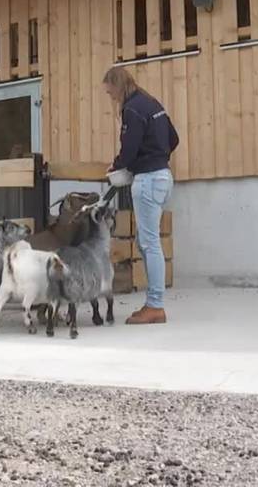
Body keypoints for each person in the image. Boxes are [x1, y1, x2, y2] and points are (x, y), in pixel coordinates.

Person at [103, 67, 180, 325]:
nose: (112, 98)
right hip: (163, 177)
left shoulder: (132, 109)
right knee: (147, 242)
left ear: (118, 86)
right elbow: (174, 138)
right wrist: (157, 155)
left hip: (147, 181)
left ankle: (155, 306)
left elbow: (129, 150)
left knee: (149, 244)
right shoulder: (152, 103)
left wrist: (117, 165)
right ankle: (152, 303)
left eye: (111, 93)